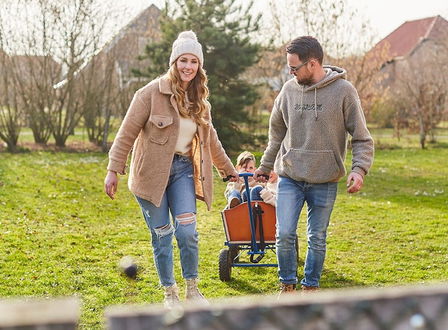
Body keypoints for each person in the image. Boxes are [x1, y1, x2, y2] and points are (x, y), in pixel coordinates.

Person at [104, 31, 238, 309]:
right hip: (149, 176)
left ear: (199, 66)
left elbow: (211, 140)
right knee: (163, 235)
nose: (188, 67)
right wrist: (113, 169)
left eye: (193, 61)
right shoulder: (151, 93)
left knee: (187, 232)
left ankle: (192, 289)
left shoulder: (201, 102)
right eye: (183, 60)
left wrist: (229, 170)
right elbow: (126, 132)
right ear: (174, 62)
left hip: (182, 171)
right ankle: (170, 293)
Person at [254, 36, 374, 295]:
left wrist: (358, 169)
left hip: (325, 178)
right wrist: (264, 166)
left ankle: (311, 288)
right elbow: (276, 133)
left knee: (316, 238)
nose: (290, 72)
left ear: (313, 63)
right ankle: (287, 286)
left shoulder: (344, 92)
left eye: (294, 67)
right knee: (284, 233)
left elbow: (362, 137)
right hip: (291, 176)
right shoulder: (288, 90)